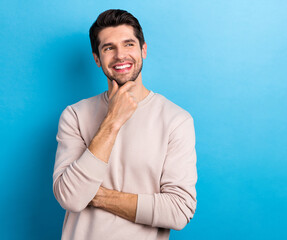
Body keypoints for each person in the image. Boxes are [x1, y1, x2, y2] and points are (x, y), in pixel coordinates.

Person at [53, 9, 197, 240]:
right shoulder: (74, 115)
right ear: (97, 59)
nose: (120, 55)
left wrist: (95, 196)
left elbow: (179, 210)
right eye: (109, 48)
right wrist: (113, 120)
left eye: (129, 44)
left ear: (143, 50)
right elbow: (70, 198)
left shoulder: (176, 120)